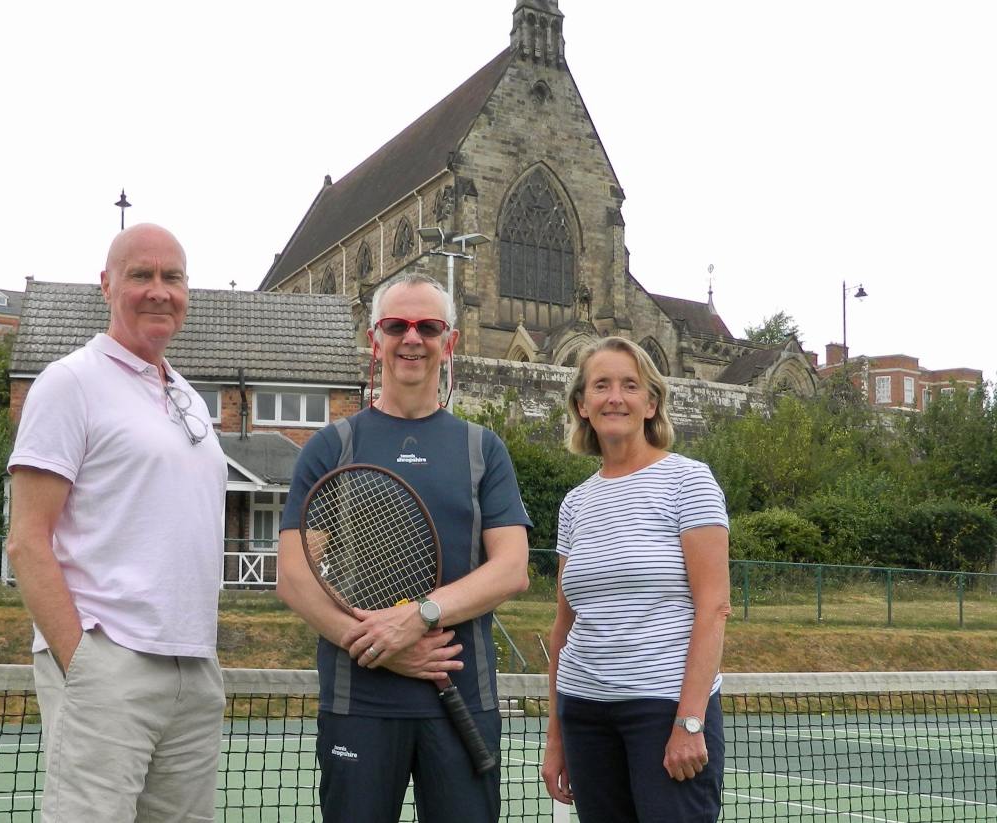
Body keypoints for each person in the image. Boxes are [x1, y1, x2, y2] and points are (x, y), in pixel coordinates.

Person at [276, 272, 532, 823]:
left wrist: (418, 618)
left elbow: (511, 569)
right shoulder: (331, 447)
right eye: (396, 325)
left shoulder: (482, 450)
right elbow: (296, 576)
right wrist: (377, 643)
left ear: (450, 341)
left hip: (463, 703)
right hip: (360, 702)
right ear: (375, 339)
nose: (411, 338)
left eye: (428, 326)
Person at [5, 224, 227, 822]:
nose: (159, 291)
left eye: (172, 278)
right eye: (141, 275)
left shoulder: (189, 399)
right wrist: (84, 665)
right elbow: (27, 540)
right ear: (107, 286)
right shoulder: (69, 383)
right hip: (109, 666)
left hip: (194, 669)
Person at [541, 336, 731, 822]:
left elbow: (713, 608)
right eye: (600, 385)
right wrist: (556, 739)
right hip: (585, 712)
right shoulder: (575, 504)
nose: (615, 397)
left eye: (630, 385)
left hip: (664, 711)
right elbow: (564, 629)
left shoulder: (689, 481)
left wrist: (690, 722)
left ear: (651, 403)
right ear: (582, 405)